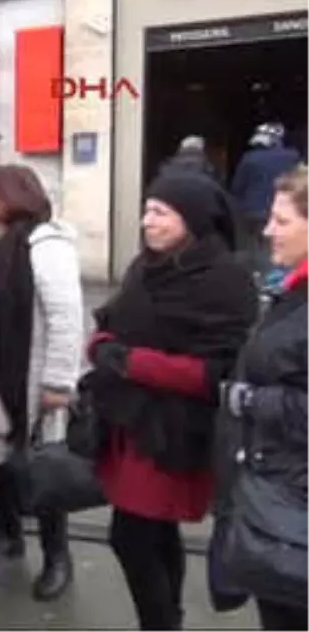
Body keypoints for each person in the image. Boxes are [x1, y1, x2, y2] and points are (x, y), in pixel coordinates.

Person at [86, 171, 256, 629]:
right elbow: (113, 318)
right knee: (153, 530)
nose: (147, 221)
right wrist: (100, 343)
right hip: (130, 421)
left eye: (161, 212)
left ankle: (160, 622)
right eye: (146, 210)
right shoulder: (146, 267)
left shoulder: (225, 280)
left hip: (173, 430)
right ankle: (169, 617)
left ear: (193, 220)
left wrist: (129, 361)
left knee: (131, 536)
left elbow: (214, 372)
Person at [0, 164, 84, 601]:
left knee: (43, 468)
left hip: (32, 381)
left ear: (9, 197)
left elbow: (66, 318)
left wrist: (57, 383)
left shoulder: (44, 244)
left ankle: (57, 557)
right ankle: (9, 536)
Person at [216, 167, 309, 630]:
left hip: (295, 509)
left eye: (283, 220)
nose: (269, 230)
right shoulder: (292, 290)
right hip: (280, 500)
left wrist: (250, 402)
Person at [231, 123, 301, 275]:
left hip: (253, 211)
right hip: (283, 210)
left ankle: (263, 279)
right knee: (281, 244)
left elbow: (238, 186)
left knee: (257, 247)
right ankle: (280, 279)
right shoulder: (293, 156)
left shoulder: (249, 158)